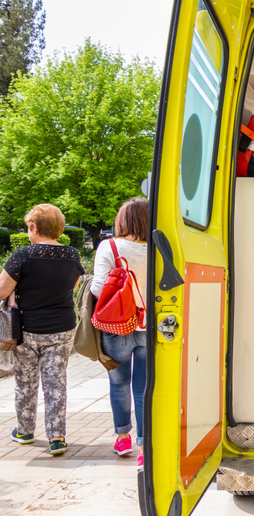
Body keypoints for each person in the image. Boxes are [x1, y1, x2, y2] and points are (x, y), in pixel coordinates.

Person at [0, 204, 84, 455]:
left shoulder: (22, 255)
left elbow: (2, 290)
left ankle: (25, 431)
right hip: (61, 328)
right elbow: (73, 285)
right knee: (55, 381)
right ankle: (56, 437)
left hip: (27, 329)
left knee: (26, 381)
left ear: (34, 228)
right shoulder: (72, 255)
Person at [91, 198, 148, 469]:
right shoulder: (159, 247)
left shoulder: (109, 246)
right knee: (144, 387)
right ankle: (144, 446)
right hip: (150, 326)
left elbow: (98, 289)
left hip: (116, 326)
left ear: (122, 220)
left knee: (118, 383)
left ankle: (122, 437)